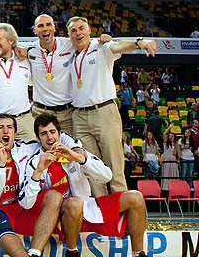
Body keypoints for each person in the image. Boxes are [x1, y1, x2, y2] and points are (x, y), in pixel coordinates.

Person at [24, 113, 174, 257]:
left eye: (52, 132)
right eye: (44, 134)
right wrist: (38, 172)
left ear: (60, 134)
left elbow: (107, 175)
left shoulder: (74, 151)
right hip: (59, 217)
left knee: (135, 197)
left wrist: (79, 159)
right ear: (38, 138)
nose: (49, 137)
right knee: (74, 203)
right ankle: (72, 256)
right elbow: (27, 201)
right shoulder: (35, 161)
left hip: (87, 208)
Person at [0, 114, 80, 257]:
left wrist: (78, 150)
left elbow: (55, 138)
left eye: (10, 127)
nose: (5, 131)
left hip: (24, 205)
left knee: (54, 196)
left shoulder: (28, 147)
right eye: (1, 128)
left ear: (16, 133)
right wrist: (1, 164)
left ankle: (34, 256)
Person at [66, 16, 158, 197]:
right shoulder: (70, 56)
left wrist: (139, 42)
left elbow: (118, 46)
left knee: (115, 167)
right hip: (79, 116)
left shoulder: (101, 47)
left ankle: (121, 218)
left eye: (81, 28)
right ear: (69, 35)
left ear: (89, 30)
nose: (78, 33)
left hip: (104, 112)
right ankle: (103, 218)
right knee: (92, 170)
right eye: (73, 30)